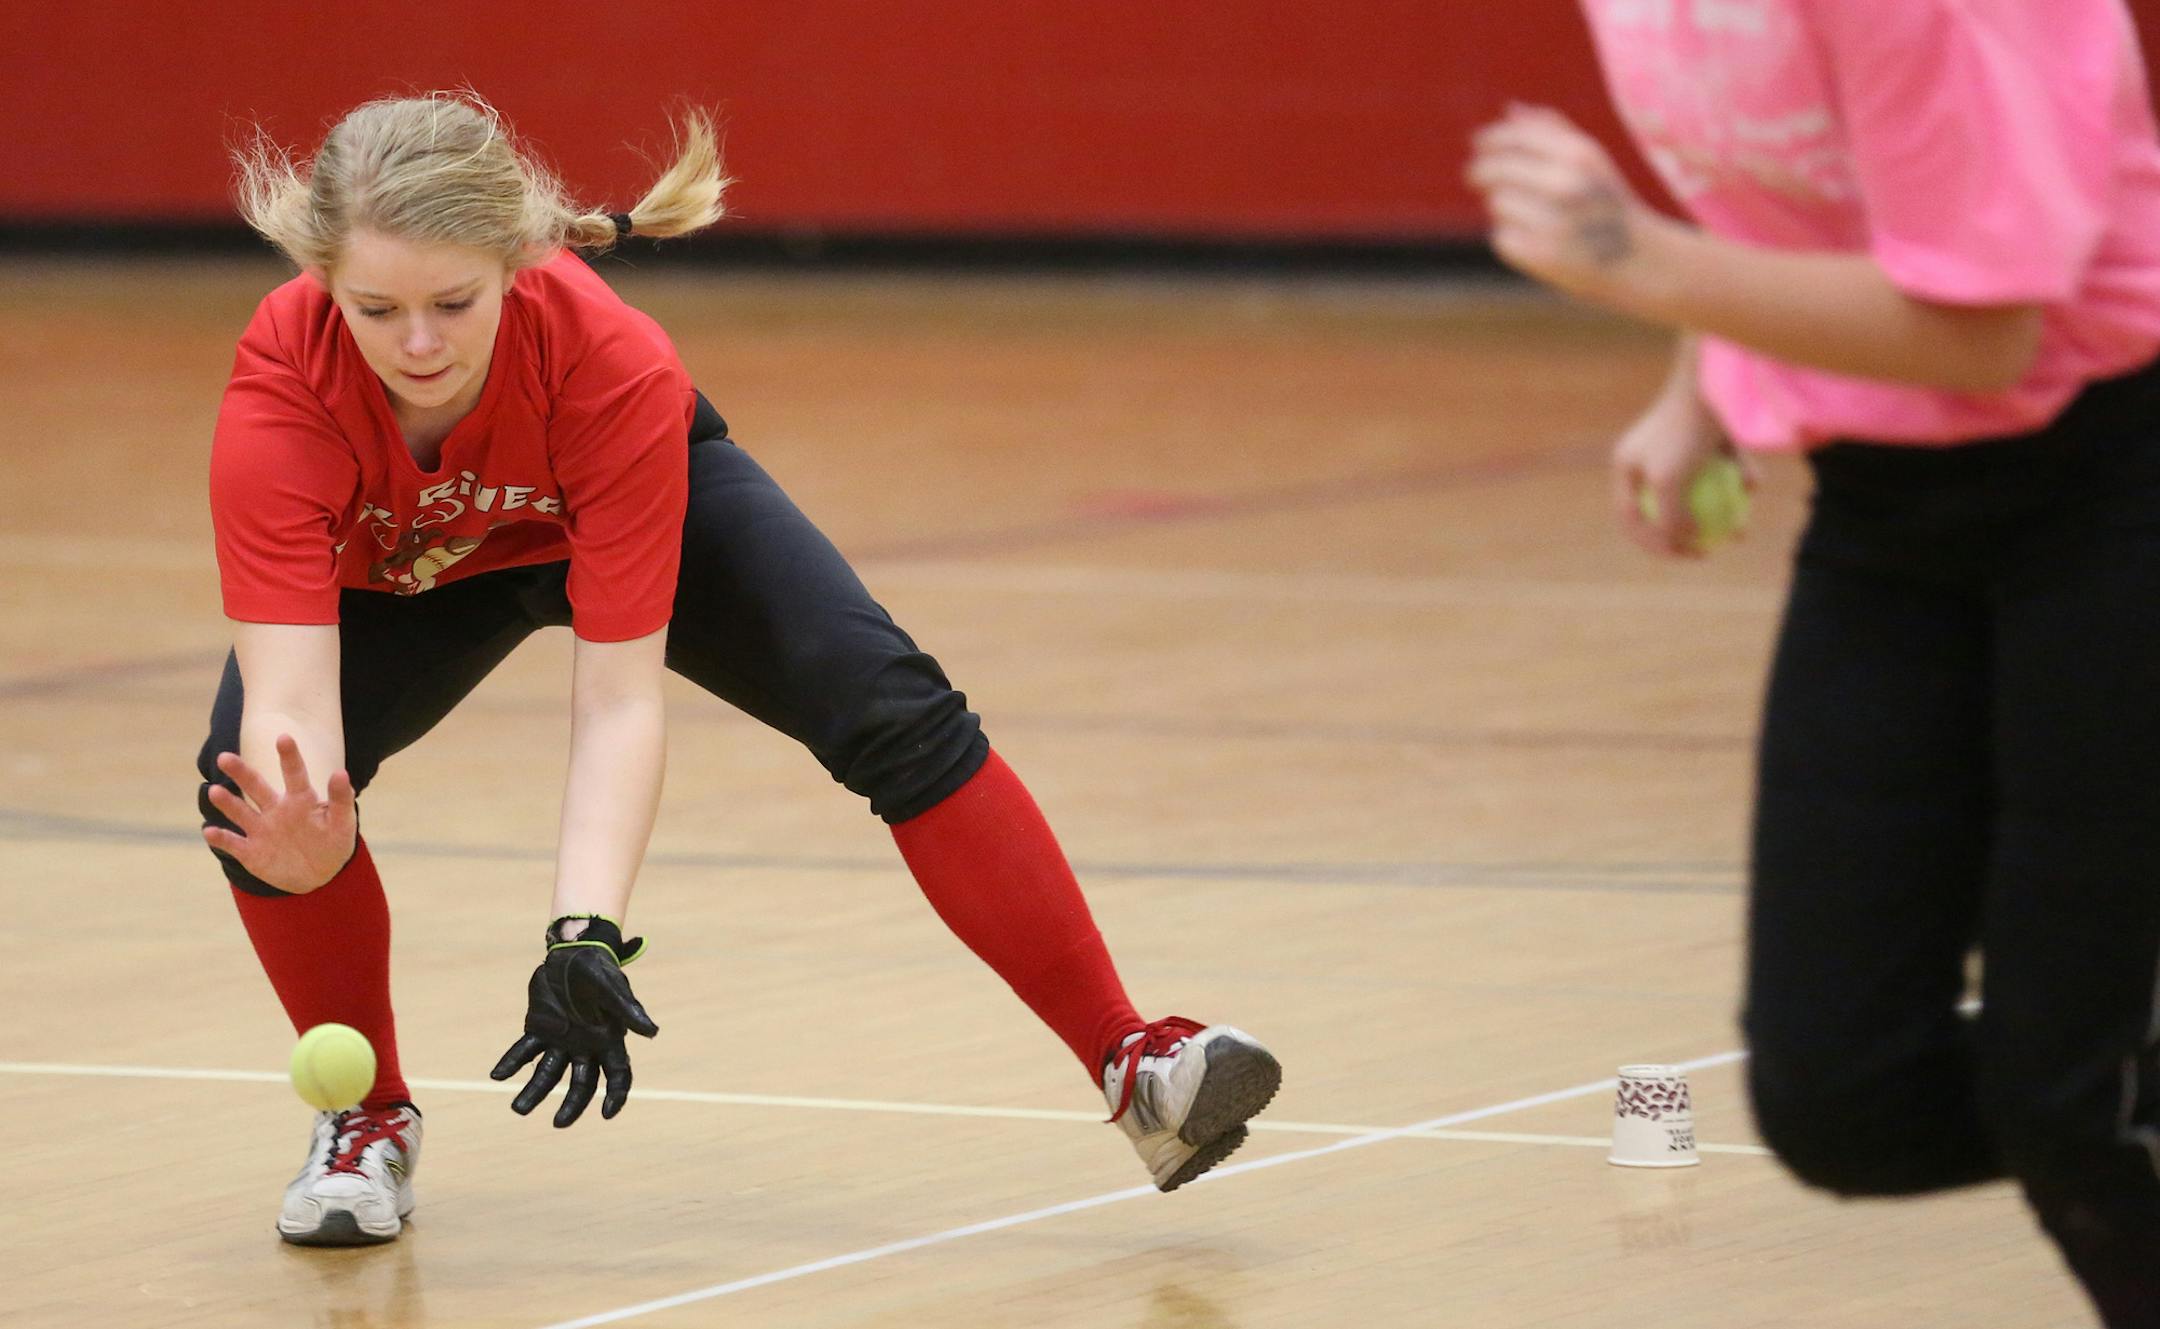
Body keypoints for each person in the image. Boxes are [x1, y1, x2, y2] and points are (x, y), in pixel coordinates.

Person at [197, 93, 1280, 1248]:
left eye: (454, 304)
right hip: (412, 571)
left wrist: (584, 933)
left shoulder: (609, 362)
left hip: (601, 506)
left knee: (892, 708)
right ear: (322, 282)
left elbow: (618, 699)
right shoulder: (283, 386)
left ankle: (1133, 1063)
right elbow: (290, 705)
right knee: (255, 796)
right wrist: (303, 823)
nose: (419, 344)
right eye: (378, 309)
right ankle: (366, 1121)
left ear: (521, 261)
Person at [1466, 3, 2160, 1323]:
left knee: (2070, 1101)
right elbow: (1781, 195)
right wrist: (1703, 389)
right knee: (1844, 1099)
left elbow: (1982, 334)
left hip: (2116, 482)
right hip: (1889, 514)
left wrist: (1640, 262)